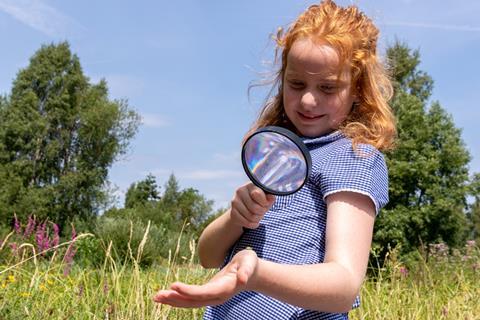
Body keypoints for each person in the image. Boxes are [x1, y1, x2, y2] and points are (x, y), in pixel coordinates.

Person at [153, 0, 396, 319]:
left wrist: (255, 274)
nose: (309, 99)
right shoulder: (277, 151)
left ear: (357, 91)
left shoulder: (352, 155)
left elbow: (344, 285)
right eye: (296, 84)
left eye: (328, 87)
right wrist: (235, 218)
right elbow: (207, 256)